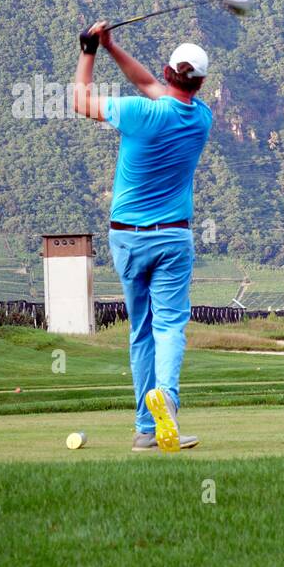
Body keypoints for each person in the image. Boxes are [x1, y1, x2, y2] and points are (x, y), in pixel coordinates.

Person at [70, 22, 213, 452]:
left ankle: (144, 431)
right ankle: (165, 399)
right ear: (200, 83)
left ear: (169, 73)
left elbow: (80, 100)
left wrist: (90, 50)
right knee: (170, 325)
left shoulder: (137, 112)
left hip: (127, 241)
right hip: (173, 239)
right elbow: (151, 83)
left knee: (141, 331)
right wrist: (112, 45)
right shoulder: (201, 118)